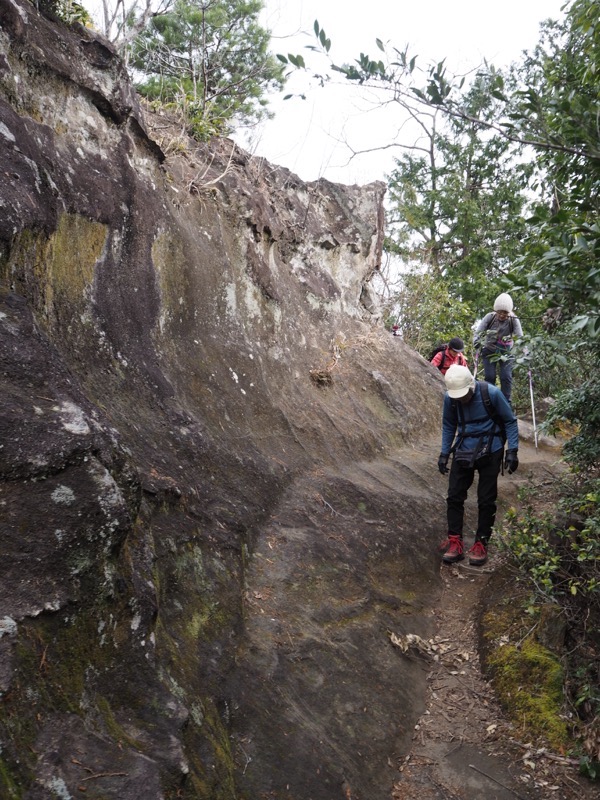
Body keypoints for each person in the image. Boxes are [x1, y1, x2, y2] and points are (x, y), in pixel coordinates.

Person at [437, 364, 519, 566]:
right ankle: (455, 541)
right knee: (454, 495)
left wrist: (512, 451)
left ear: (470, 385)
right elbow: (449, 424)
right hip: (464, 448)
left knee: (486, 499)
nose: (461, 399)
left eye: (463, 395)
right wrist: (444, 453)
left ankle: (481, 544)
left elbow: (509, 420)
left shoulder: (491, 393)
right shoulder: (451, 398)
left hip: (492, 449)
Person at [474, 293, 523, 404]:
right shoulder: (489, 317)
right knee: (490, 376)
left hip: (506, 351)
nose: (501, 315)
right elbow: (479, 331)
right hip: (489, 350)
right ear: (495, 310)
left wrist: (525, 352)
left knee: (506, 377)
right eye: (499, 312)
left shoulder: (513, 319)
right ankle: (489, 400)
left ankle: (506, 403)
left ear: (509, 312)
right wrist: (476, 342)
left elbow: (521, 337)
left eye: (505, 312)